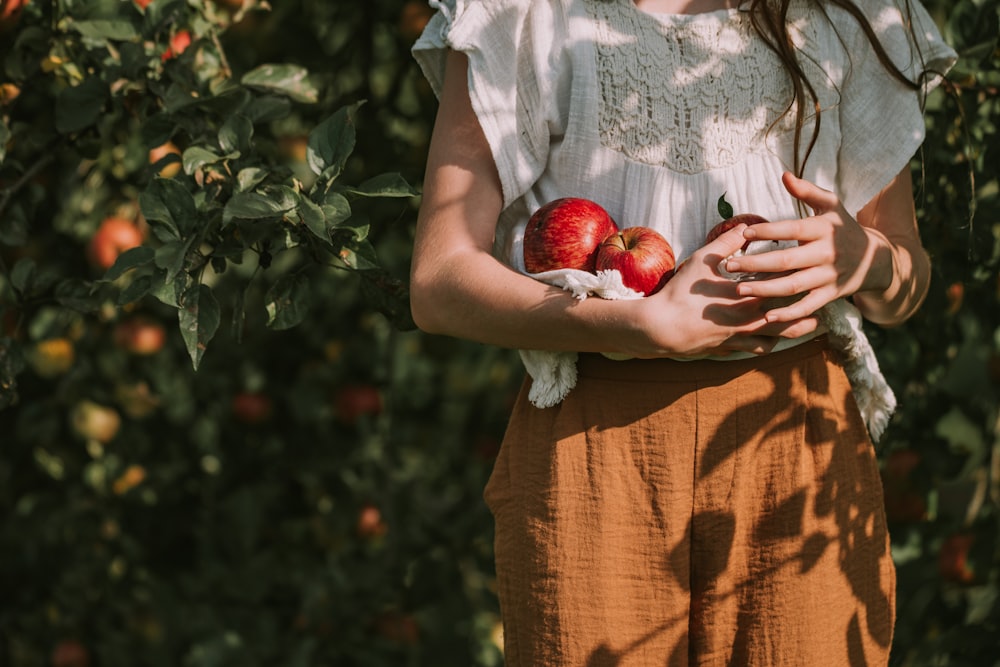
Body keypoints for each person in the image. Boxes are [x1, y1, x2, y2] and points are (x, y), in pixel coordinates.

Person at [410, 0, 955, 664]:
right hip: (598, 443)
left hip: (798, 438)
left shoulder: (845, 13)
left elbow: (906, 279)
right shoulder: (523, 13)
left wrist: (863, 260)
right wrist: (637, 324)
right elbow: (439, 280)